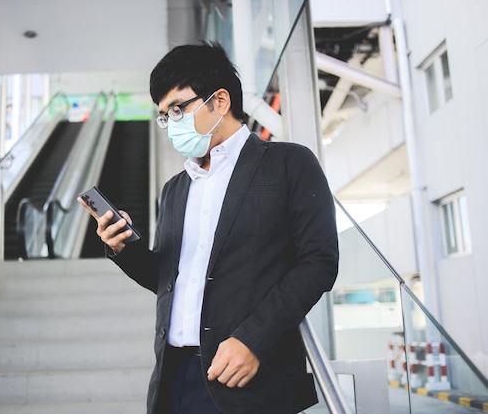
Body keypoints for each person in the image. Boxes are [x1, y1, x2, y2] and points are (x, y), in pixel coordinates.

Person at [78, 41, 339, 414]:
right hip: (175, 377)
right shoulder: (175, 189)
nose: (170, 123)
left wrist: (254, 341)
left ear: (219, 101)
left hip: (248, 374)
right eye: (164, 115)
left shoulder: (288, 163)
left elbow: (318, 262)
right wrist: (124, 247)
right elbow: (169, 279)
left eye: (178, 108)